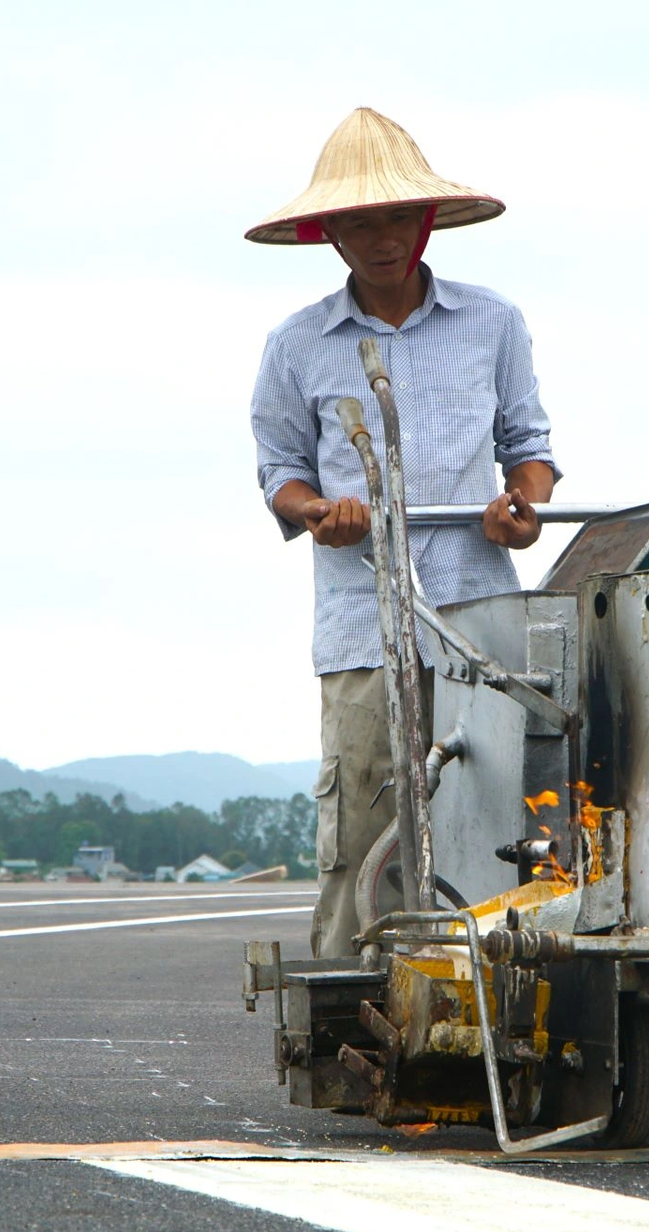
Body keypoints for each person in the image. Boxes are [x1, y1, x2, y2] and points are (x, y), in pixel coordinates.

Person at [247, 107, 559, 957]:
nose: (382, 238)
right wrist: (320, 512)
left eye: (395, 217)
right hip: (361, 622)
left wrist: (517, 508)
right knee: (366, 828)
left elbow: (529, 451)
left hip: (478, 614)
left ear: (426, 222)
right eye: (359, 223)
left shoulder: (492, 323)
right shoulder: (298, 344)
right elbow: (280, 471)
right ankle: (356, 1007)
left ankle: (496, 995)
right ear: (330, 236)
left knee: (497, 819)